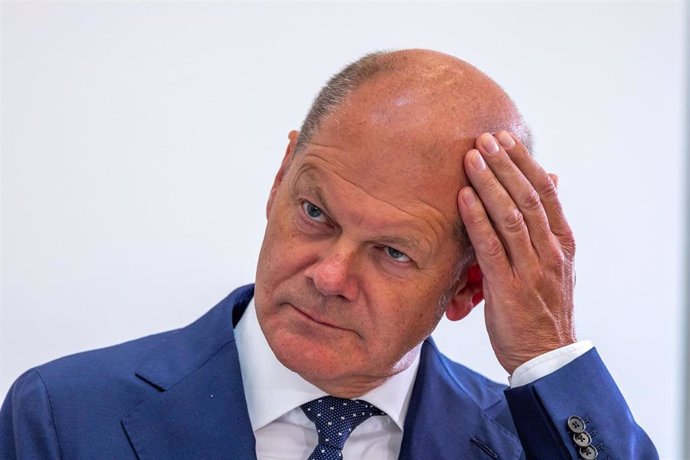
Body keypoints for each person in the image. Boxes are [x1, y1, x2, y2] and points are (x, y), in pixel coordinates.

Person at [0, 49, 656, 459]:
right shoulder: (64, 416)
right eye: (315, 213)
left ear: (467, 287)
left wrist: (547, 352)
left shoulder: (529, 445)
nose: (329, 275)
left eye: (393, 252)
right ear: (281, 176)